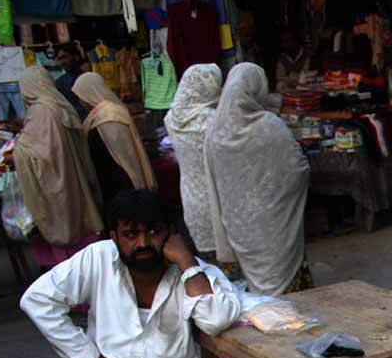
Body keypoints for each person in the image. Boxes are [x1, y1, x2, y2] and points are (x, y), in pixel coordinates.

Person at [20, 189, 241, 358]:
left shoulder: (194, 272)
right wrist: (88, 356)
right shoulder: (98, 258)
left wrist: (186, 262)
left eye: (153, 231)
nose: (142, 243)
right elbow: (37, 299)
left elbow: (217, 319)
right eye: (130, 234)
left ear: (170, 233)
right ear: (114, 237)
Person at [205, 63, 312, 295]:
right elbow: (298, 168)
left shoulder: (215, 130)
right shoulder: (269, 125)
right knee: (284, 280)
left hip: (238, 223)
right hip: (275, 223)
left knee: (252, 287)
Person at [13, 66, 103, 270]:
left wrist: (18, 148)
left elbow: (41, 152)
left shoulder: (42, 110)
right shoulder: (58, 104)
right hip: (75, 180)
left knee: (72, 254)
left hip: (60, 188)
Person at [72, 72, 157, 208]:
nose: (81, 102)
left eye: (81, 97)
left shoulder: (109, 115)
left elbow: (123, 153)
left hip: (121, 178)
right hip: (109, 178)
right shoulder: (97, 115)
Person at [165, 64, 221, 262]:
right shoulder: (216, 121)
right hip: (218, 198)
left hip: (191, 197)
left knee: (206, 263)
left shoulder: (171, 118)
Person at [54, 43, 88, 120]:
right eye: (59, 59)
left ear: (76, 57)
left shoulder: (88, 78)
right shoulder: (60, 83)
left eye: (64, 57)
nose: (62, 62)